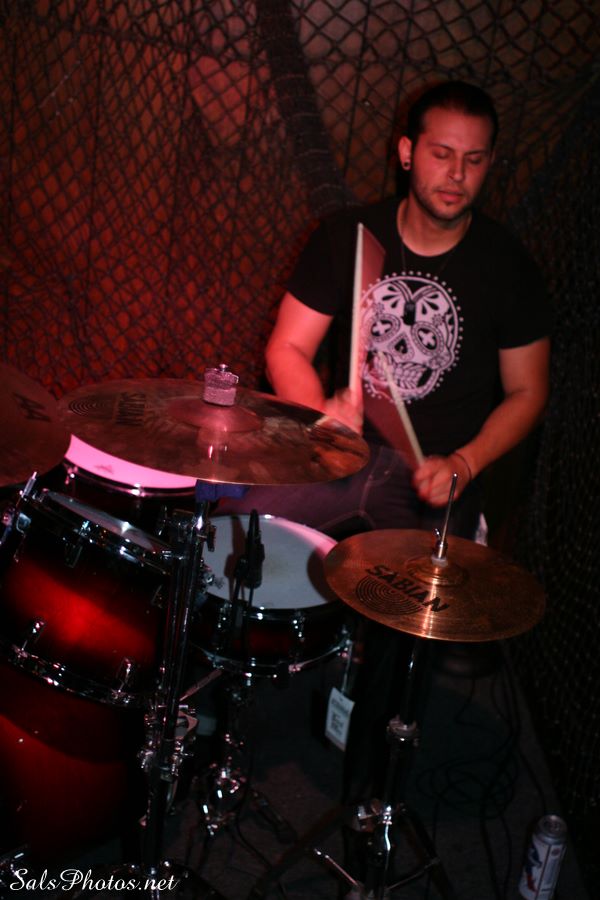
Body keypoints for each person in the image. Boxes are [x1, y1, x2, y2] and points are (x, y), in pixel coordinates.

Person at [217, 79, 550, 839]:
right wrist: (316, 414)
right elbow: (288, 347)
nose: (455, 175)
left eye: (473, 160)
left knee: (411, 613)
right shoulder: (350, 235)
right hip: (341, 450)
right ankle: (216, 716)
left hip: (435, 475)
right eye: (440, 154)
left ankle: (371, 791)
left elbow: (528, 392)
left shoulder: (508, 267)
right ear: (407, 153)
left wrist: (464, 463)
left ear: (488, 165)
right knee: (238, 531)